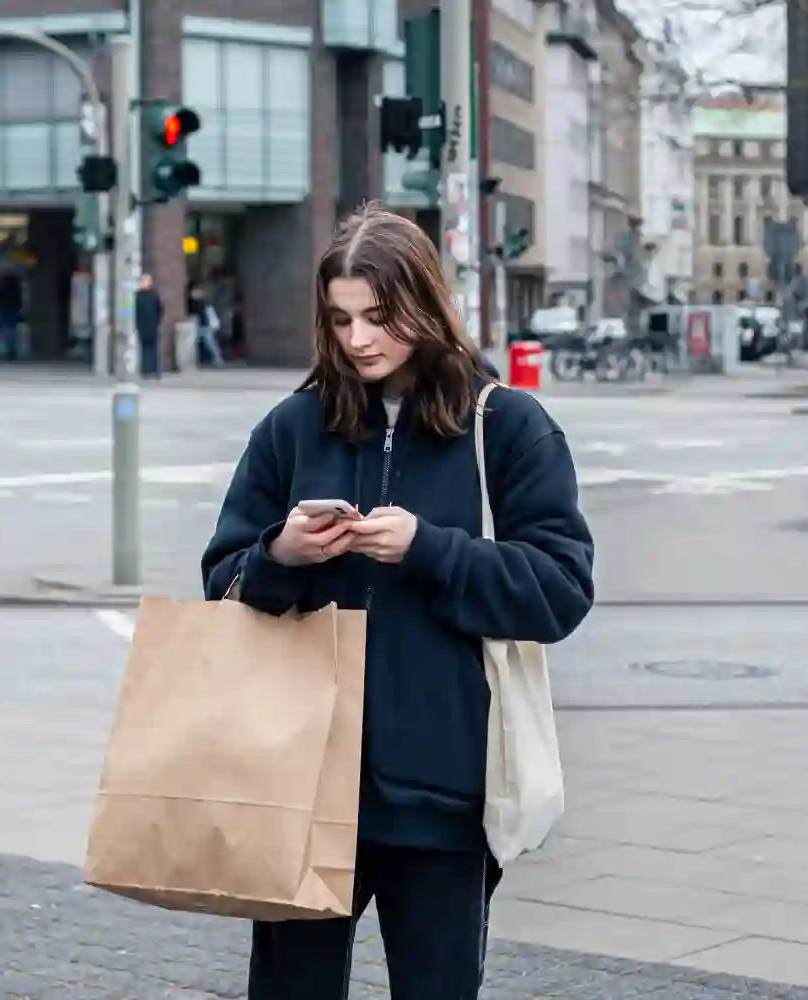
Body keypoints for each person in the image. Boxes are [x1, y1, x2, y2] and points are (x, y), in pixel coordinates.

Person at [201, 203, 595, 1000]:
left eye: (379, 317)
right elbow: (223, 583)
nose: (358, 340)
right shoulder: (293, 427)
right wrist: (282, 554)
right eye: (340, 318)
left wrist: (431, 549)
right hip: (303, 789)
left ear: (427, 302)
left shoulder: (508, 427)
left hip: (443, 797)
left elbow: (560, 590)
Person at [135, 273, 163, 378]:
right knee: (144, 349)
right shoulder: (138, 295)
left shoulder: (154, 295)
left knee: (153, 348)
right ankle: (146, 370)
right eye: (142, 281)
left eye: (145, 281)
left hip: (152, 325)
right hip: (142, 326)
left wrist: (157, 322)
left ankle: (154, 370)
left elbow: (160, 309)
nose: (143, 283)